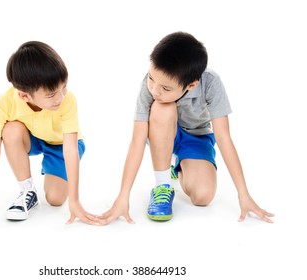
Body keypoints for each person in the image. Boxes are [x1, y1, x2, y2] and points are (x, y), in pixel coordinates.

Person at [101, 32, 274, 224]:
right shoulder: (151, 85)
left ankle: (177, 163)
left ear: (191, 85)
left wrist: (243, 194)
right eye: (151, 79)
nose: (154, 90)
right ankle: (163, 185)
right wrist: (123, 196)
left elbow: (223, 137)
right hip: (161, 132)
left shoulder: (211, 83)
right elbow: (138, 140)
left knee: (203, 196)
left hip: (196, 138)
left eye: (166, 88)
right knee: (162, 107)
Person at [0, 41, 100, 225]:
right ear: (24, 95)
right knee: (10, 130)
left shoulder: (67, 100)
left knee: (55, 199)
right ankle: (27, 191)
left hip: (61, 144)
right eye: (51, 95)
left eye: (63, 86)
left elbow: (70, 149)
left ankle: (52, 173)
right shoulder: (4, 104)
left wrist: (74, 201)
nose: (61, 97)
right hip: (34, 138)